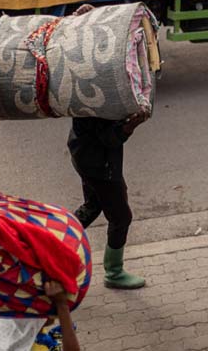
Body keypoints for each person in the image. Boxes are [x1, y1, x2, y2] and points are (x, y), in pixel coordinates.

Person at [69, 110, 150, 289]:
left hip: (84, 155)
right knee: (121, 217)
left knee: (92, 206)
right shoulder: (98, 101)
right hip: (100, 165)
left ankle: (53, 245)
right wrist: (130, 125)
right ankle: (114, 272)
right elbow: (109, 138)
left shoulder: (86, 95)